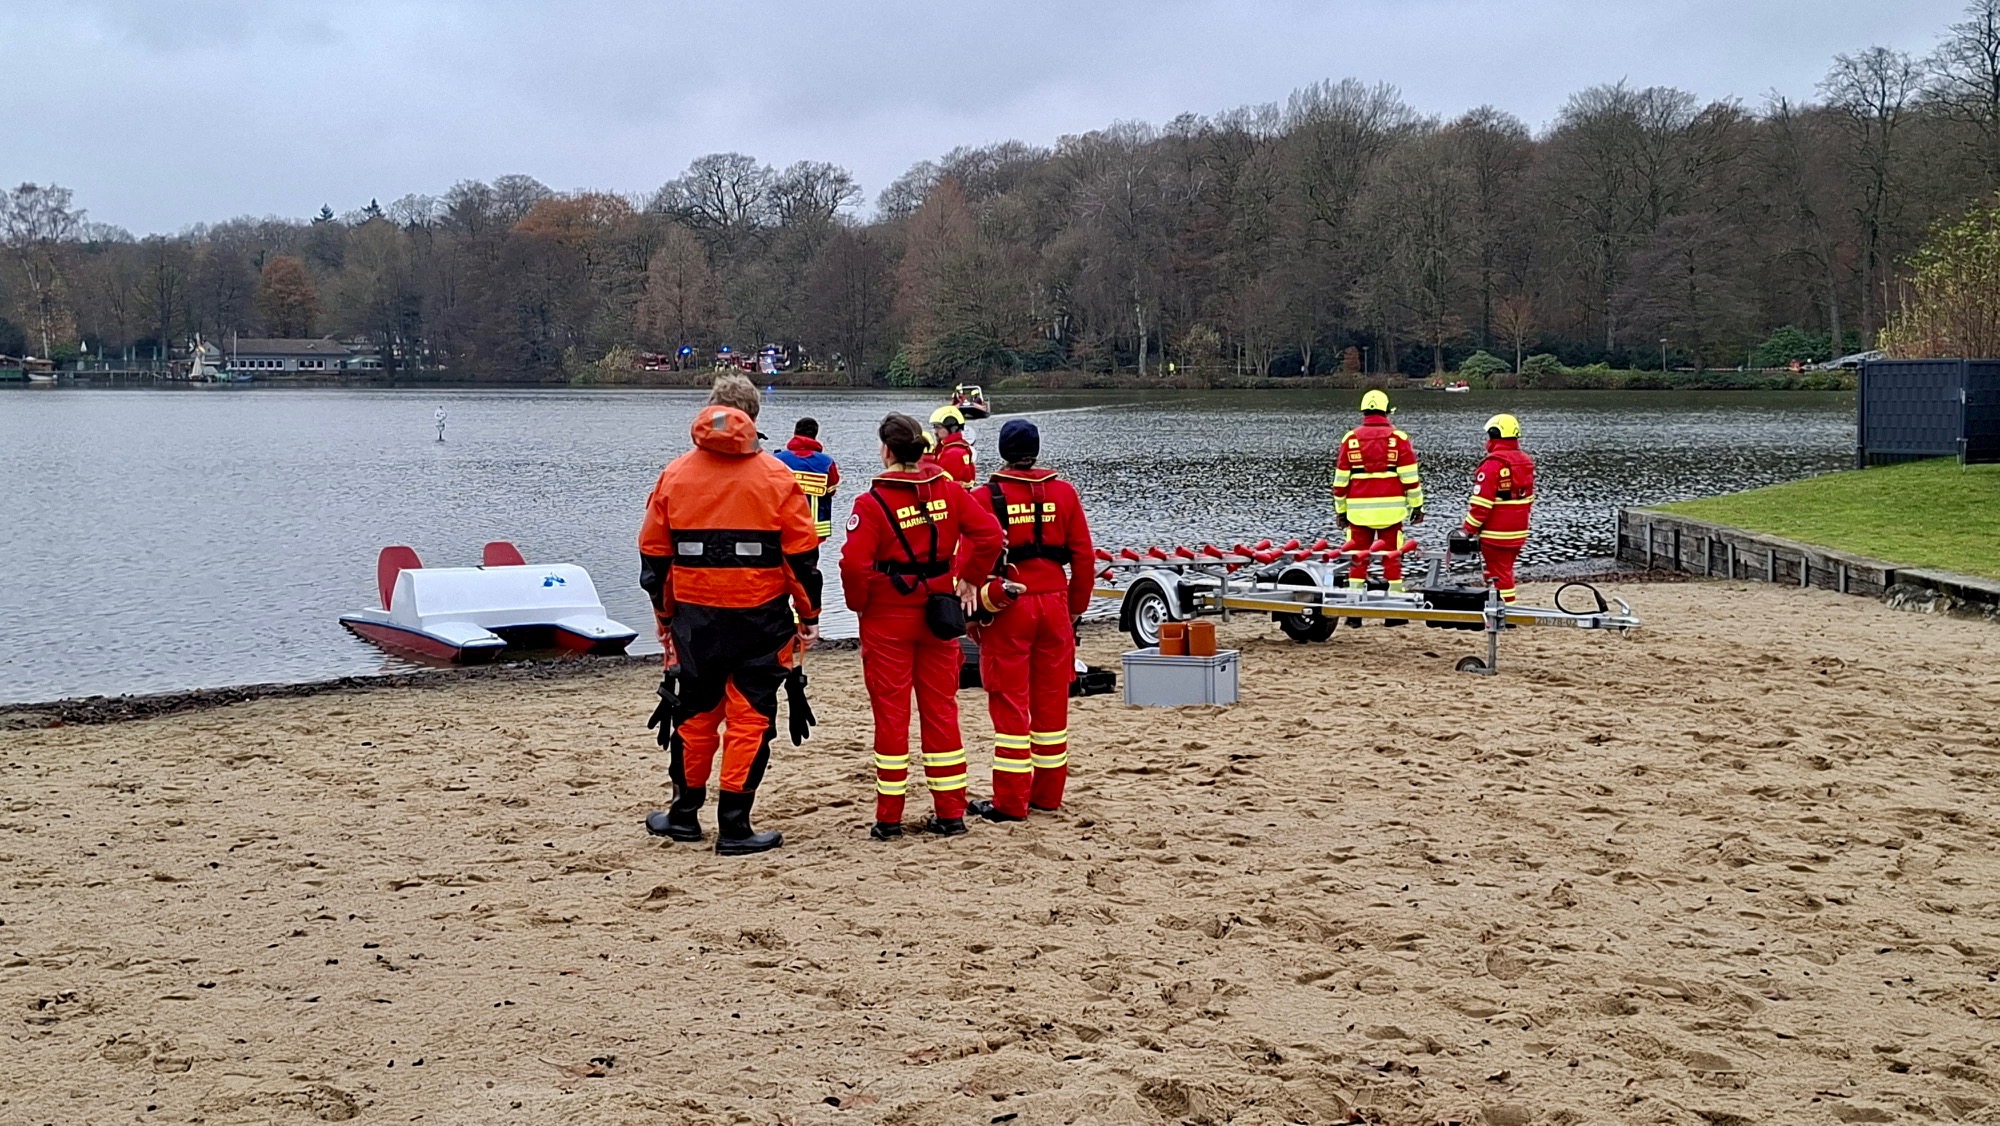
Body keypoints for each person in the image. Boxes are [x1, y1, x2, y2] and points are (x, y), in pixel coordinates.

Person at [638, 375, 820, 856]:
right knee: (750, 717)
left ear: (710, 411)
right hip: (760, 619)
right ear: (753, 419)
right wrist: (810, 615)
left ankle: (683, 814)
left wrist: (665, 617)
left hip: (695, 620)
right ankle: (735, 825)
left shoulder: (673, 475)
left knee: (695, 714)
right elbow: (801, 558)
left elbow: (654, 559)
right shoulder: (779, 477)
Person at [841, 413, 1003, 840]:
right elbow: (988, 534)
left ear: (887, 451)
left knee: (892, 717)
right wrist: (968, 576)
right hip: (940, 611)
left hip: (888, 617)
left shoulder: (871, 504)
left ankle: (890, 818)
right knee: (941, 711)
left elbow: (854, 567)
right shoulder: (948, 490)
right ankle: (951, 813)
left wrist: (860, 606)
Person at [968, 420, 1095, 822]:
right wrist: (1075, 606)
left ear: (1003, 451)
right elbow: (1085, 558)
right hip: (1055, 603)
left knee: (1009, 704)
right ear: (1036, 451)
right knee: (1052, 704)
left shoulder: (985, 496)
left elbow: (971, 559)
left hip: (1010, 605)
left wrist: (973, 614)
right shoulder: (1064, 492)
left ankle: (1010, 801)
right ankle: (1047, 796)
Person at [1332, 389, 1426, 595]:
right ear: (1386, 412)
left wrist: (1341, 511)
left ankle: (1354, 607)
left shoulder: (1350, 439)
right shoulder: (1398, 438)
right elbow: (1411, 480)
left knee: (1357, 558)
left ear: (1363, 412)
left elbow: (1340, 483)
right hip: (1391, 513)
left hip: (1358, 513)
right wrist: (1417, 506)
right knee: (1392, 557)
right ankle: (1395, 610)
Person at [1460, 413, 1536, 604]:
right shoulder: (1525, 461)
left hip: (1496, 533)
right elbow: (1529, 497)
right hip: (1519, 530)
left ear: (1494, 434)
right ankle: (1500, 606)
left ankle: (1506, 613)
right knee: (1505, 569)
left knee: (1500, 574)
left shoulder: (1492, 465)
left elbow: (1481, 505)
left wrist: (1467, 530)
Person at [772, 417, 841, 589]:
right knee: (806, 575)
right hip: (813, 530)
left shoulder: (777, 460)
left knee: (779, 572)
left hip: (782, 527)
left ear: (795, 433)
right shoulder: (826, 462)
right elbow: (832, 488)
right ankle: (805, 610)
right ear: (816, 436)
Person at [928, 406, 977, 485]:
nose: (935, 432)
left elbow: (944, 483)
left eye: (938, 427)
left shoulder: (952, 453)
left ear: (953, 428)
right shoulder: (960, 447)